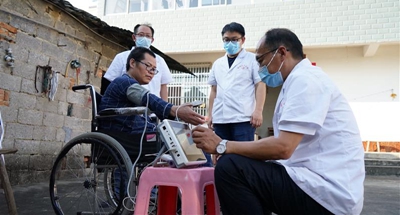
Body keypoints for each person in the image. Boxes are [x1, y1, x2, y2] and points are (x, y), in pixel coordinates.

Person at [193, 28, 365, 215]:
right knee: (243, 164)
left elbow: (283, 148)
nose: (260, 69)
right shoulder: (296, 81)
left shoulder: (305, 80)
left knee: (230, 167)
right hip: (315, 183)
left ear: (282, 53)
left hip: (326, 193)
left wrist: (222, 145)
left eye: (261, 60)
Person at [99, 47, 204, 160]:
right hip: (122, 136)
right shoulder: (125, 82)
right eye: (148, 66)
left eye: (154, 69)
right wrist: (175, 110)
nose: (151, 72)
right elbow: (149, 99)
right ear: (133, 63)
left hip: (131, 134)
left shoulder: (130, 85)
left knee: (187, 139)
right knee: (188, 142)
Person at [207, 22, 266, 164]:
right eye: (226, 40)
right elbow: (214, 90)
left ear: (243, 40)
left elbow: (260, 85)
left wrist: (258, 111)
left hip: (243, 118)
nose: (230, 43)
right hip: (220, 119)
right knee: (220, 158)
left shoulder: (252, 59)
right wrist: (210, 114)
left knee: (243, 158)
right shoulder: (217, 63)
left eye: (234, 39)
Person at [101, 23, 173, 101]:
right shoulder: (121, 57)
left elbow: (163, 86)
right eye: (141, 35)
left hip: (152, 108)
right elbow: (110, 82)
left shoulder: (159, 60)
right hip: (125, 108)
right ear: (134, 37)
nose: (144, 38)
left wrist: (164, 110)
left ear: (152, 40)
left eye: (148, 36)